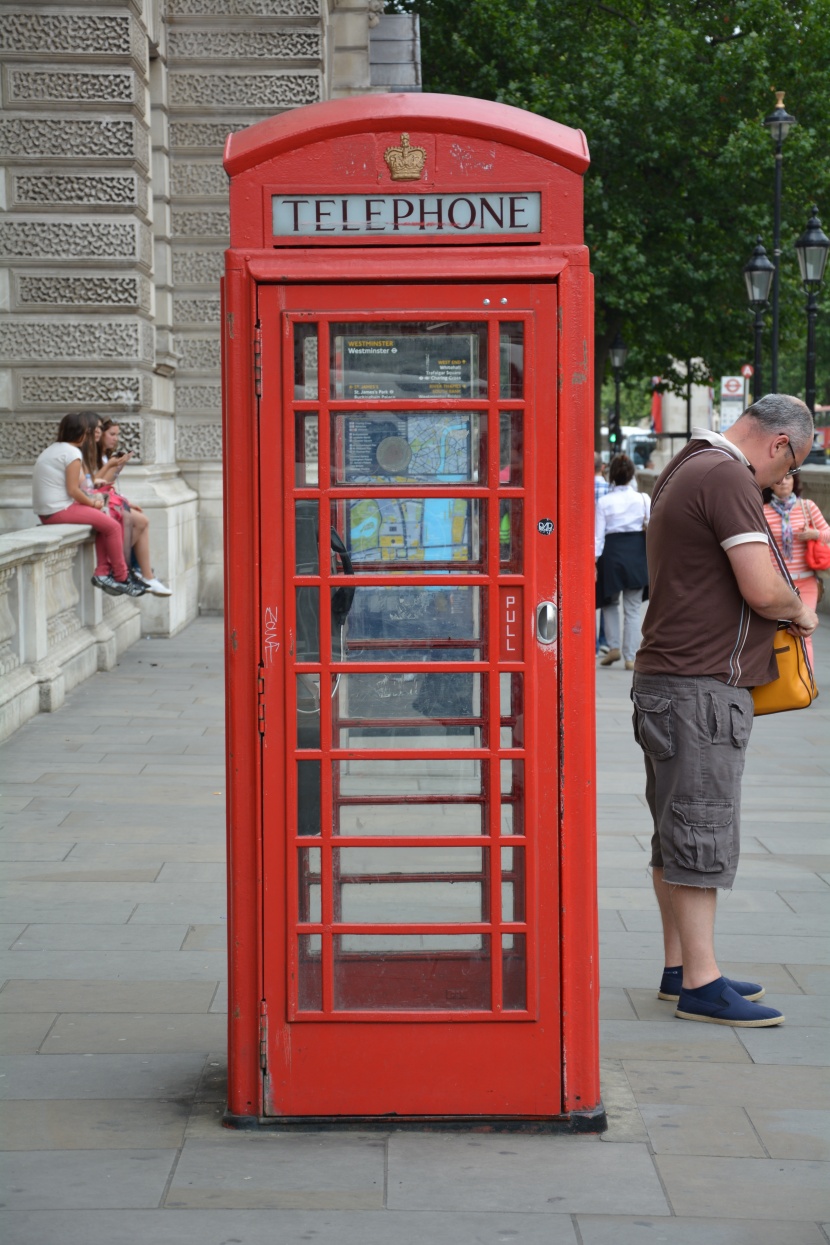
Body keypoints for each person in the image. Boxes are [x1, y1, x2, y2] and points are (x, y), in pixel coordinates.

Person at [633, 394, 818, 1028]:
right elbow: (763, 587)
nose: (783, 480)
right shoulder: (727, 475)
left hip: (669, 678)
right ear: (781, 445)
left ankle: (679, 967)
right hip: (699, 686)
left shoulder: (687, 463)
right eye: (792, 464)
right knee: (701, 829)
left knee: (674, 832)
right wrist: (801, 610)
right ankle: (702, 986)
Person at [33, 411, 146, 598]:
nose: (92, 436)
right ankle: (122, 577)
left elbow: (80, 484)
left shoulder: (55, 449)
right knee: (111, 526)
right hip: (58, 510)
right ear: (80, 432)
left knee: (104, 522)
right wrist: (92, 504)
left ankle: (103, 573)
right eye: (89, 432)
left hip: (50, 510)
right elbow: (73, 490)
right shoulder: (71, 453)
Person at [94, 420, 171, 597]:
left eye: (117, 435)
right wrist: (112, 466)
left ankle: (144, 574)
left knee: (142, 519)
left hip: (108, 499)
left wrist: (118, 467)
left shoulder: (106, 456)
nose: (116, 439)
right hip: (99, 502)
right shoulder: (94, 456)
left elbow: (108, 483)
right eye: (112, 434)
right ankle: (126, 568)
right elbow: (97, 486)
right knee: (139, 521)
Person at [763, 471, 829, 667]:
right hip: (778, 584)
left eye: (788, 478)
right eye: (778, 479)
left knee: (804, 633)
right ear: (771, 485)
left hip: (806, 582)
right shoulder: (762, 511)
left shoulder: (807, 507)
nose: (783, 482)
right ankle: (784, 682)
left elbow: (827, 532)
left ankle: (806, 683)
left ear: (794, 482)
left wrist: (813, 533)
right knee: (778, 634)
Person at [595, 453, 650, 670]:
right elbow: (653, 528)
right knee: (633, 608)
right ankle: (630, 657)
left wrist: (594, 563)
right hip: (636, 553)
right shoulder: (643, 499)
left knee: (610, 602)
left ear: (611, 476)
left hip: (611, 553)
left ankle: (614, 647)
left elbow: (598, 537)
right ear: (631, 476)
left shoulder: (604, 502)